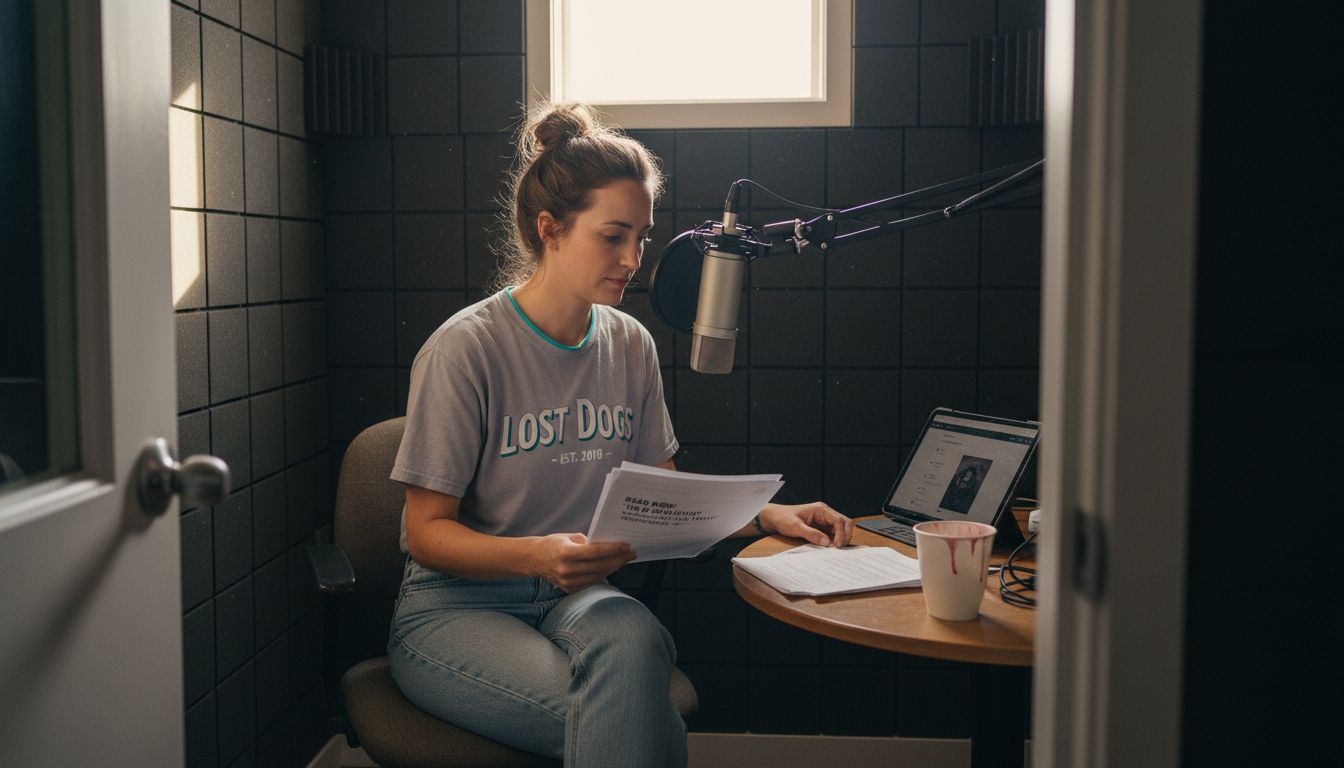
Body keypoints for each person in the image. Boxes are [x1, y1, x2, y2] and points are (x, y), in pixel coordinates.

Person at [387, 102, 853, 767]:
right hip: (455, 611)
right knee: (631, 724)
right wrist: (534, 555)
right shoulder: (465, 349)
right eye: (613, 236)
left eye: (641, 236)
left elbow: (662, 502)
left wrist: (766, 515)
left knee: (635, 635)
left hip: (581, 600)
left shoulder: (628, 343)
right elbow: (427, 534)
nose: (634, 258)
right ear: (550, 229)